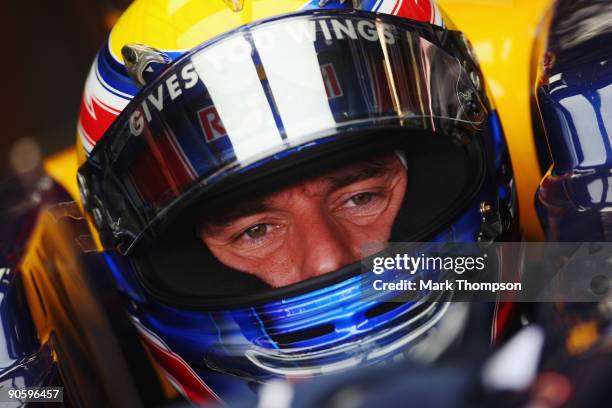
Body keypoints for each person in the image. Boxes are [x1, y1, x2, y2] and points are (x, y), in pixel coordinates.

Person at [75, 0, 520, 404]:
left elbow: (580, 273)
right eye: (255, 230)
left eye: (361, 197)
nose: (327, 260)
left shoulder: (564, 269)